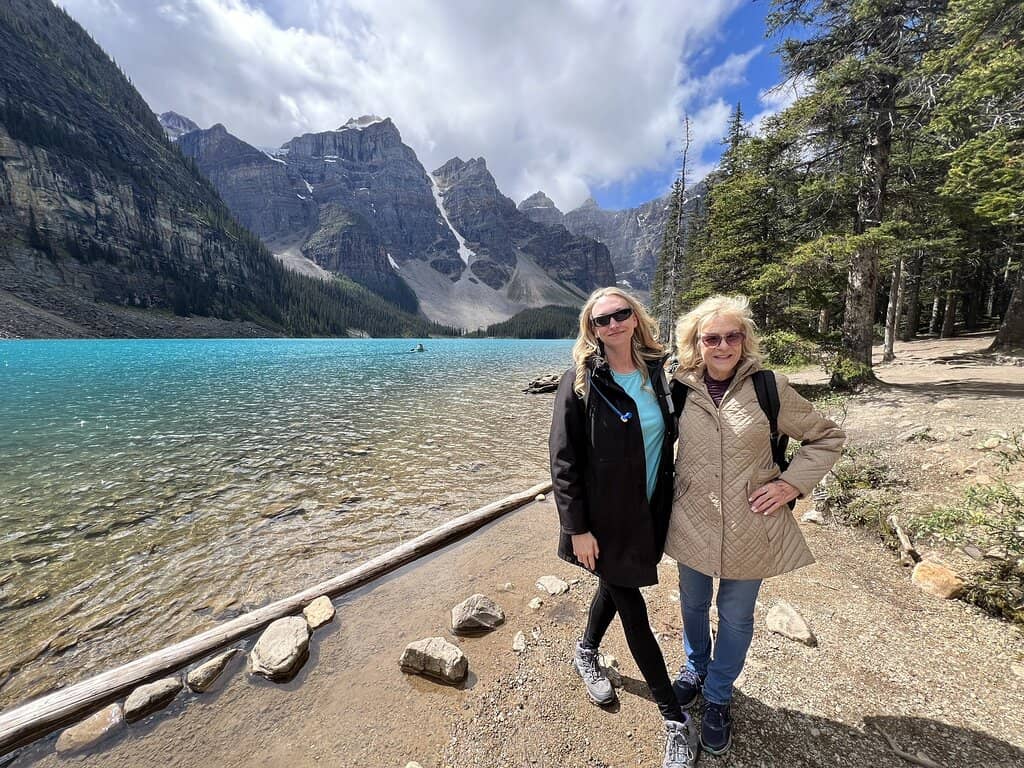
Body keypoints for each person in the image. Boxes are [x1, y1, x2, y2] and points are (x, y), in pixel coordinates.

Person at [665, 295, 846, 756]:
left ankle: (719, 697)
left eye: (732, 335)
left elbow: (826, 437)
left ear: (744, 340)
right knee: (692, 601)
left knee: (737, 614)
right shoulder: (678, 387)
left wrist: (790, 485)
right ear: (696, 344)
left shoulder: (770, 387)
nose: (723, 345)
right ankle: (694, 669)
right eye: (712, 338)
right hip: (691, 517)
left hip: (752, 522)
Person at [549, 287, 699, 768]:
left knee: (615, 590)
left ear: (635, 319)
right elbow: (563, 461)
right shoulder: (581, 382)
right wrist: (577, 529)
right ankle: (675, 718)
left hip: (649, 514)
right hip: (603, 523)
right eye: (601, 321)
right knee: (633, 608)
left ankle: (585, 650)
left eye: (619, 315)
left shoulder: (661, 375)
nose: (611, 325)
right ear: (590, 329)